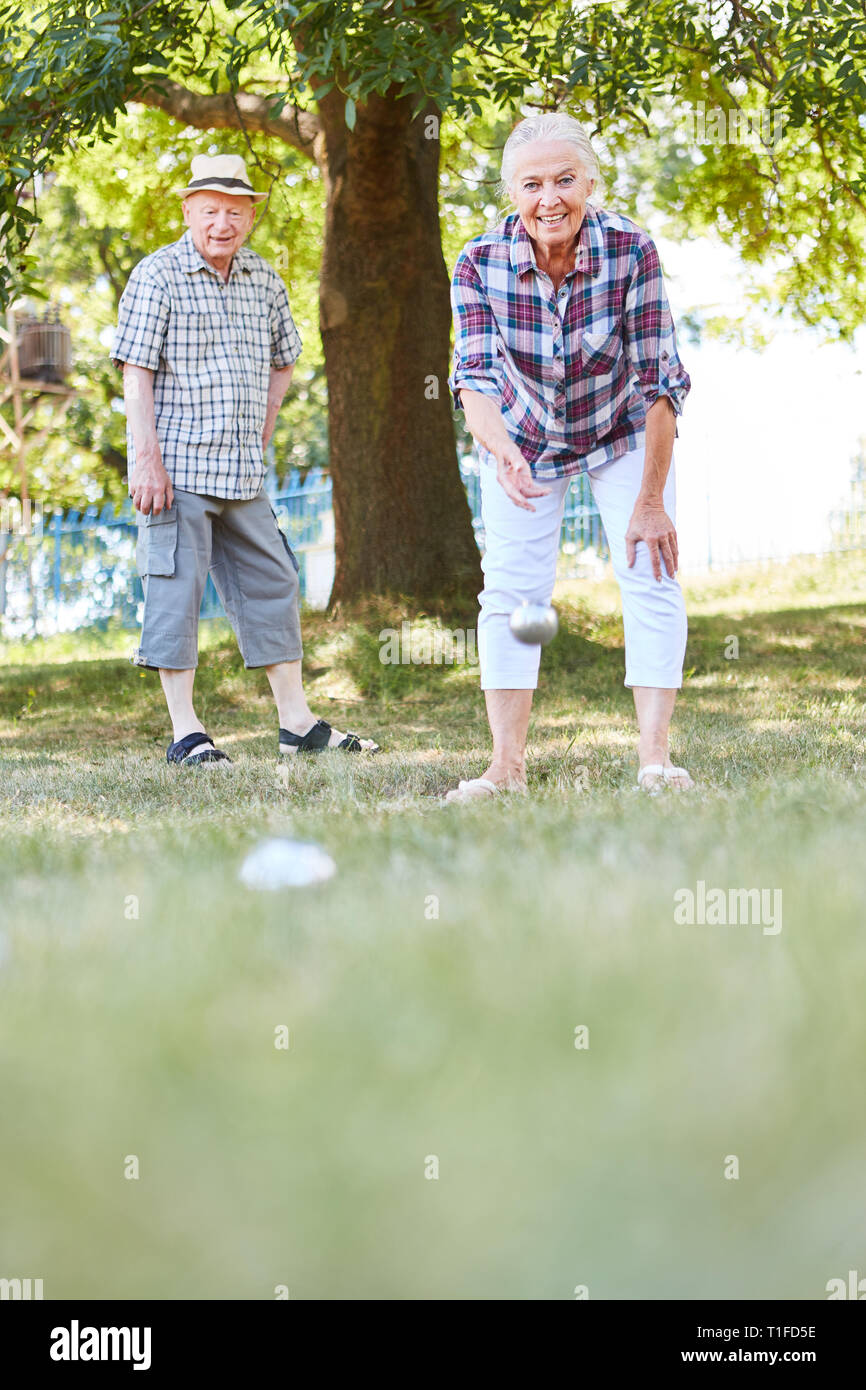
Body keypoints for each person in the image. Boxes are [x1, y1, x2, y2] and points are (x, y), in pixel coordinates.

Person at [446, 113, 692, 801]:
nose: (548, 197)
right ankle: (506, 769)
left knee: (651, 570)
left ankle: (654, 761)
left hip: (620, 427)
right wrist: (501, 452)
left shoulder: (630, 251)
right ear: (512, 193)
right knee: (511, 594)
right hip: (522, 436)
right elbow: (474, 378)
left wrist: (649, 504)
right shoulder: (478, 262)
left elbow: (660, 383)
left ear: (590, 182)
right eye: (531, 184)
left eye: (563, 180)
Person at [111, 154, 378, 765]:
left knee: (275, 583)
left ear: (251, 216)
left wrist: (265, 422)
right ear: (188, 212)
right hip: (176, 470)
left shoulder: (264, 279)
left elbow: (286, 356)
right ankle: (187, 734)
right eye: (210, 210)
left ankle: (297, 724)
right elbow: (136, 372)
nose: (222, 222)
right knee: (176, 593)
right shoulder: (157, 276)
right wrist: (144, 460)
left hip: (242, 471)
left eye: (235, 211)